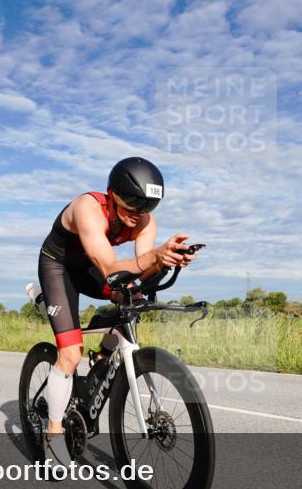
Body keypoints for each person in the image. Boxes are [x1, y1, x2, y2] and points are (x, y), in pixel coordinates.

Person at [36, 157, 197, 465]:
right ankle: (53, 434)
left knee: (133, 300)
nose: (139, 216)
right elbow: (110, 267)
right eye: (133, 206)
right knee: (69, 353)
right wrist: (153, 256)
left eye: (148, 207)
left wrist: (164, 261)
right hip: (59, 267)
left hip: (91, 268)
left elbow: (140, 272)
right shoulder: (88, 208)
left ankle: (103, 354)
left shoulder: (145, 220)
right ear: (112, 195)